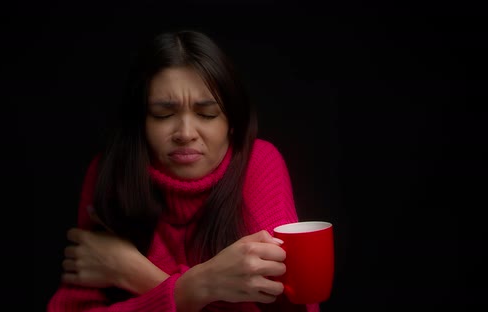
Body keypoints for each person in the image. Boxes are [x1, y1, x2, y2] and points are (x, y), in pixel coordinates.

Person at [47, 30, 320, 312]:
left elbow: (295, 304)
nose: (185, 133)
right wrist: (193, 289)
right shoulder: (110, 172)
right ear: (140, 122)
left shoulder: (259, 162)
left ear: (232, 123)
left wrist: (137, 274)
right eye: (163, 114)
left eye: (207, 114)